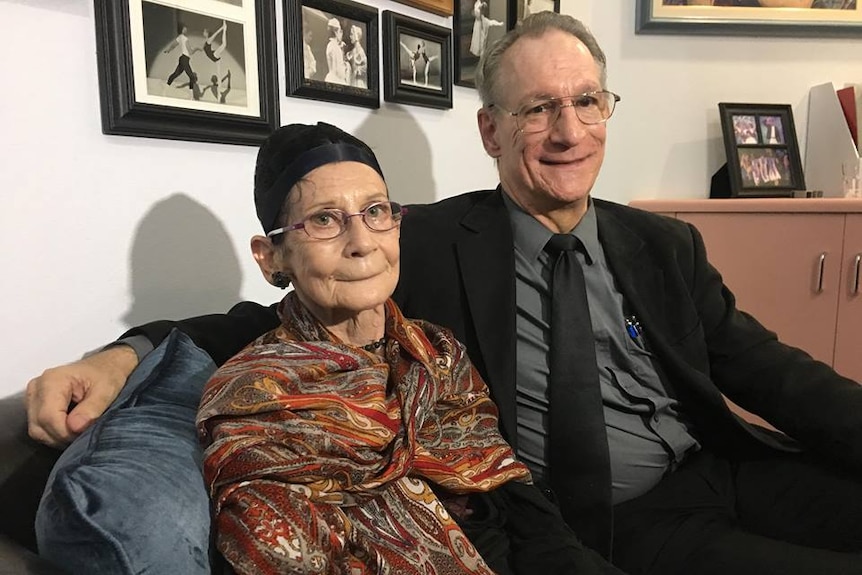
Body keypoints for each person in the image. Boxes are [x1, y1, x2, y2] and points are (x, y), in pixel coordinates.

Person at [26, 12, 862, 575]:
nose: (569, 131)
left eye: (585, 102)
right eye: (538, 109)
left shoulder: (662, 241)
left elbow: (774, 371)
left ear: (608, 110)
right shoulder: (411, 241)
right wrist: (123, 355)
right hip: (614, 518)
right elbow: (274, 316)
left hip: (721, 463)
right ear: (491, 131)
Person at [195, 121, 617, 575]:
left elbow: (512, 496)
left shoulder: (438, 352)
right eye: (324, 219)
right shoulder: (253, 398)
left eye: (375, 212)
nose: (361, 243)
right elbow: (285, 556)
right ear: (271, 256)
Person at [164, 23, 198, 93]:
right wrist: (197, 49)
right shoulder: (185, 38)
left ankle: (166, 87)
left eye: (186, 29)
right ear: (182, 30)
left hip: (183, 59)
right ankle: (191, 94)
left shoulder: (180, 37)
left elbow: (173, 45)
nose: (186, 30)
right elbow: (190, 52)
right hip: (185, 59)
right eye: (184, 29)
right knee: (191, 76)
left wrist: (168, 50)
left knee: (176, 74)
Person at [324, 18, 349, 85]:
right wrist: (346, 67)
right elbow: (339, 71)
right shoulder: (334, 47)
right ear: (336, 32)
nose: (341, 34)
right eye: (340, 31)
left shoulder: (331, 45)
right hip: (336, 80)